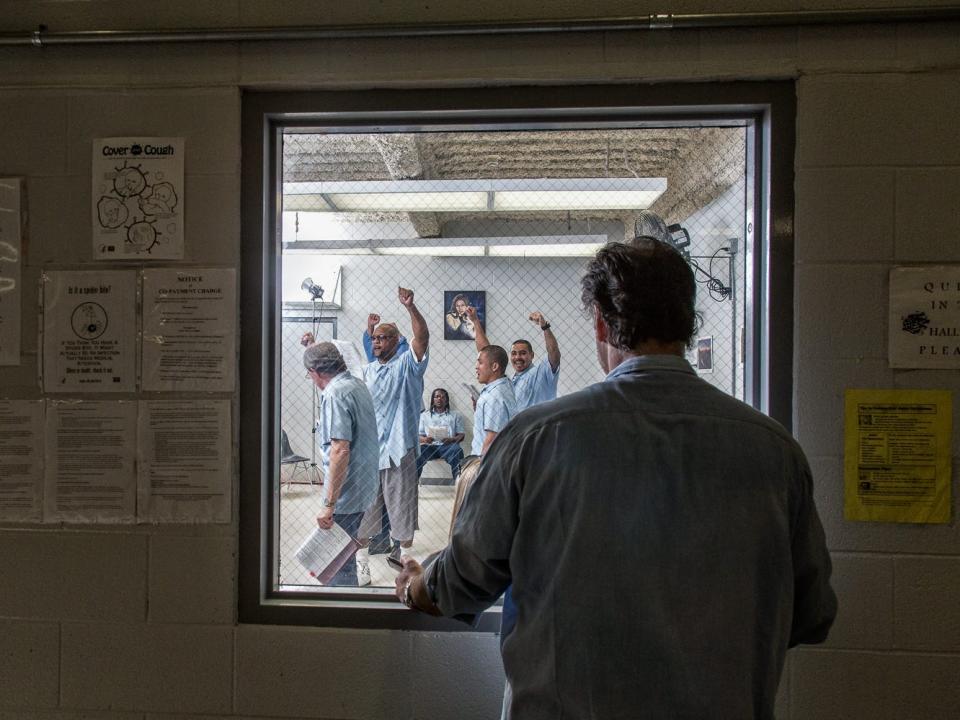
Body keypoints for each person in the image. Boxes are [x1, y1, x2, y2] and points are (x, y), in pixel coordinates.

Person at [395, 240, 837, 719]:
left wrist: (416, 584)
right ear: (688, 322)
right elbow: (812, 614)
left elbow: (463, 580)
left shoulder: (537, 438)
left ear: (602, 323)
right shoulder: (774, 451)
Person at [359, 287, 429, 569]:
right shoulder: (366, 371)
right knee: (364, 515)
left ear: (397, 340)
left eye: (382, 337)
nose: (376, 342)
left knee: (402, 515)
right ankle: (360, 564)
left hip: (399, 451)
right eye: (374, 338)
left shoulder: (407, 367)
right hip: (369, 453)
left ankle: (404, 561)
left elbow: (422, 338)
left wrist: (411, 308)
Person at [303, 342, 378, 587]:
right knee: (343, 557)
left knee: (337, 567)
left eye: (309, 374)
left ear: (316, 371)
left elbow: (339, 450)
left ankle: (344, 611)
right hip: (363, 486)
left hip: (347, 492)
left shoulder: (335, 394)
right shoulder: (357, 385)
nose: (310, 379)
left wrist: (328, 504)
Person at [467, 306, 560, 410]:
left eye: (523, 353)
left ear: (532, 355)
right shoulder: (509, 382)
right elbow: (486, 353)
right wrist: (475, 321)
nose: (517, 357)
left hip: (540, 426)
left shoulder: (541, 373)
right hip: (515, 426)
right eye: (514, 353)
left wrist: (545, 327)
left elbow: (554, 352)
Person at [471, 344, 517, 457]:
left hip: (487, 461)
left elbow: (492, 437)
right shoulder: (504, 384)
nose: (476, 366)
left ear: (494, 366)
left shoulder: (495, 396)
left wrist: (480, 467)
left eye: (480, 362)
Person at [416, 388, 465, 481]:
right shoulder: (424, 416)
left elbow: (461, 435)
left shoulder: (455, 415)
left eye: (443, 397)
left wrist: (452, 440)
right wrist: (425, 440)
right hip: (430, 446)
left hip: (448, 446)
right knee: (417, 453)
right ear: (432, 399)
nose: (439, 399)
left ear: (446, 400)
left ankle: (459, 483)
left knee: (457, 451)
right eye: (437, 397)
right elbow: (418, 436)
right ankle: (413, 484)